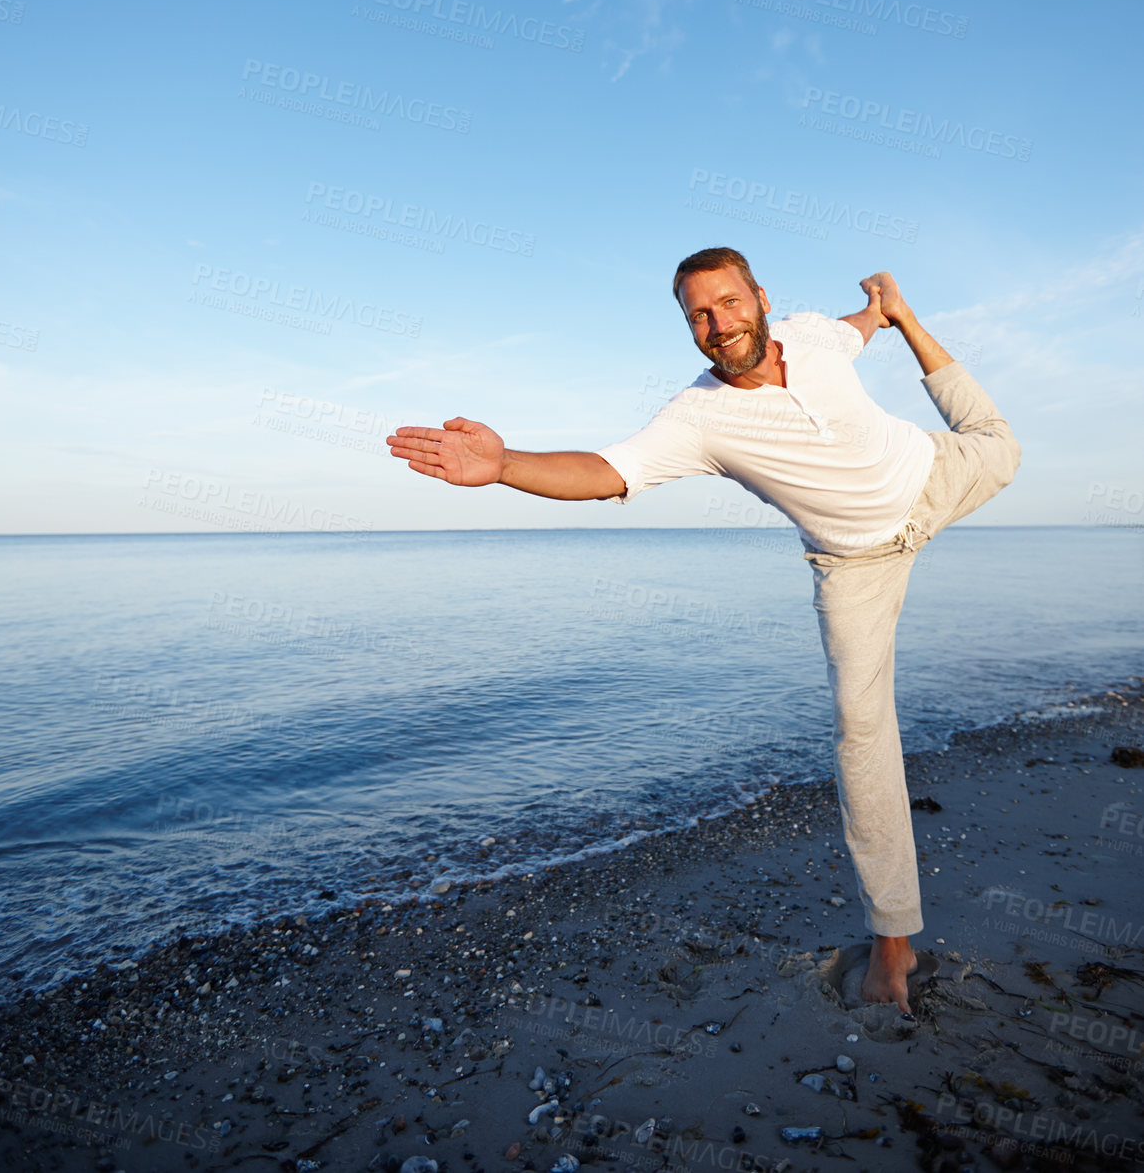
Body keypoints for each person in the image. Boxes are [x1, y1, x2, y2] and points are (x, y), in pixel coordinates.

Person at [388, 247, 1020, 1014]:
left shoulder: (814, 334)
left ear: (761, 296)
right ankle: (893, 942)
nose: (719, 324)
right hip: (856, 565)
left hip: (934, 474)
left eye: (730, 302)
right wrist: (504, 464)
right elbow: (605, 471)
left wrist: (890, 314)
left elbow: (857, 328)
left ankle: (915, 313)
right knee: (862, 738)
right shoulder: (697, 416)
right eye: (699, 314)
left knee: (1004, 445)